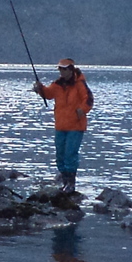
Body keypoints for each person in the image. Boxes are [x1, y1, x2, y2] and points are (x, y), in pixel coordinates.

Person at [33, 57, 94, 192]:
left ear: (71, 70)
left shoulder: (80, 84)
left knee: (70, 154)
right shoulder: (58, 84)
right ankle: (65, 181)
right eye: (60, 69)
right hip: (60, 126)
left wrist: (82, 110)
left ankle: (70, 184)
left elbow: (89, 99)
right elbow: (48, 94)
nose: (62, 72)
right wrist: (40, 88)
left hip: (76, 126)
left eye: (64, 69)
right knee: (60, 154)